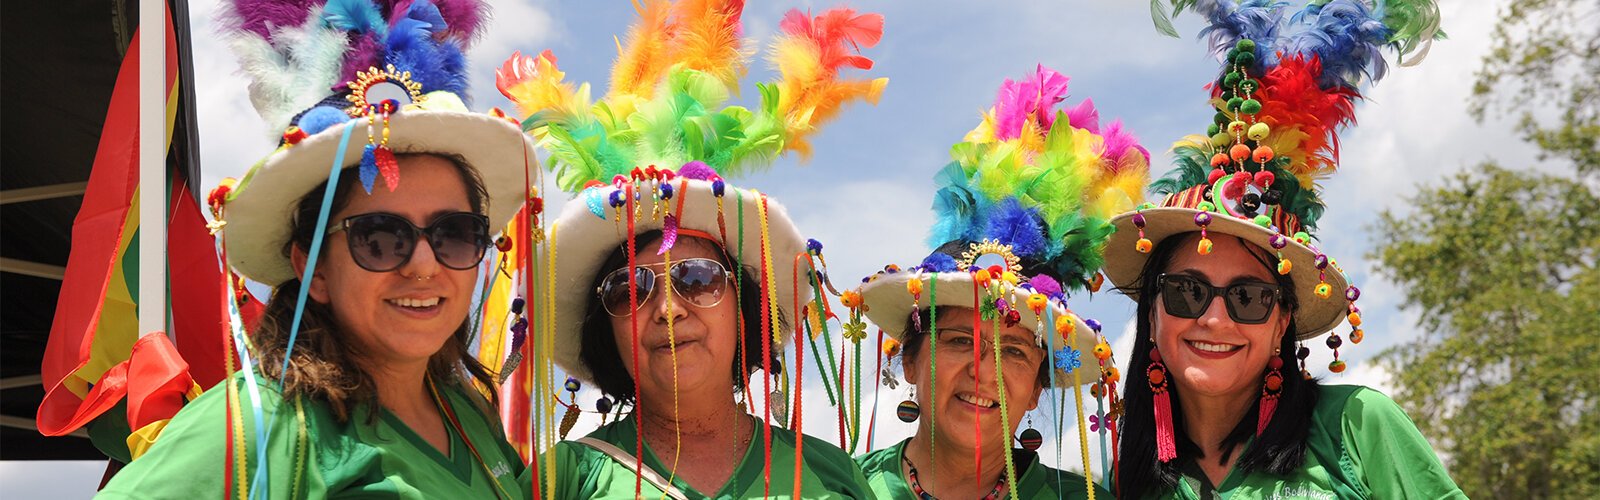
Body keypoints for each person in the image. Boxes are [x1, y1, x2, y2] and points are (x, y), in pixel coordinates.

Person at [99, 1, 536, 497]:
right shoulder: (258, 423)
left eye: (454, 234)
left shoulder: (470, 419)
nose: (422, 263)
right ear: (313, 268)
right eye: (379, 237)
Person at [495, 2, 888, 498]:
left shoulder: (831, 475)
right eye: (628, 289)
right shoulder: (564, 479)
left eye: (698, 279)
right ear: (606, 326)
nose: (666, 310)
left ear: (744, 310)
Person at [1105, 2, 1463, 497]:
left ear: (1282, 323)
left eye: (1249, 298)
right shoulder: (1124, 481)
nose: (1214, 319)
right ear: (1153, 311)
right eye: (1187, 291)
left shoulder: (1358, 428)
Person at [849, 65, 1149, 499]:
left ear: (1036, 389)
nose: (983, 370)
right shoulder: (843, 489)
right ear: (910, 360)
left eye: (1013, 351)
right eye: (957, 341)